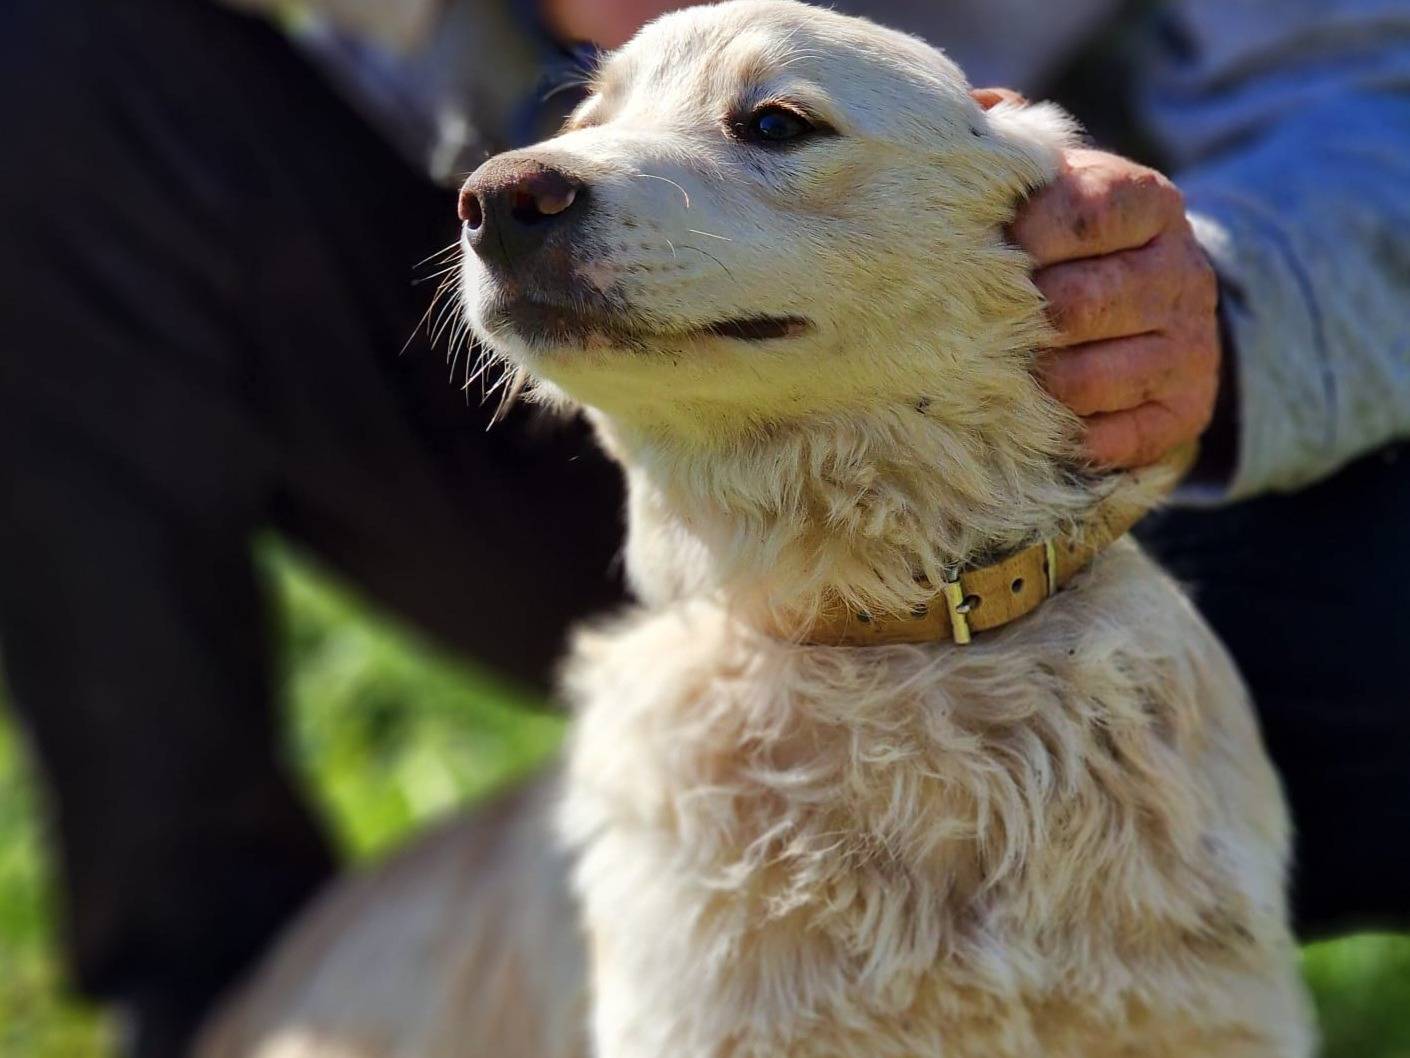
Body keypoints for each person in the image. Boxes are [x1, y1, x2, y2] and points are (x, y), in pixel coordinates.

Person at [0, 0, 1405, 1056]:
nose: (526, 174)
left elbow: (1365, 101)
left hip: (1148, 403)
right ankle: (201, 981)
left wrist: (1214, 313)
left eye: (772, 120)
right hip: (632, 461)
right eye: (572, 115)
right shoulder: (540, 187)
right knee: (40, 69)